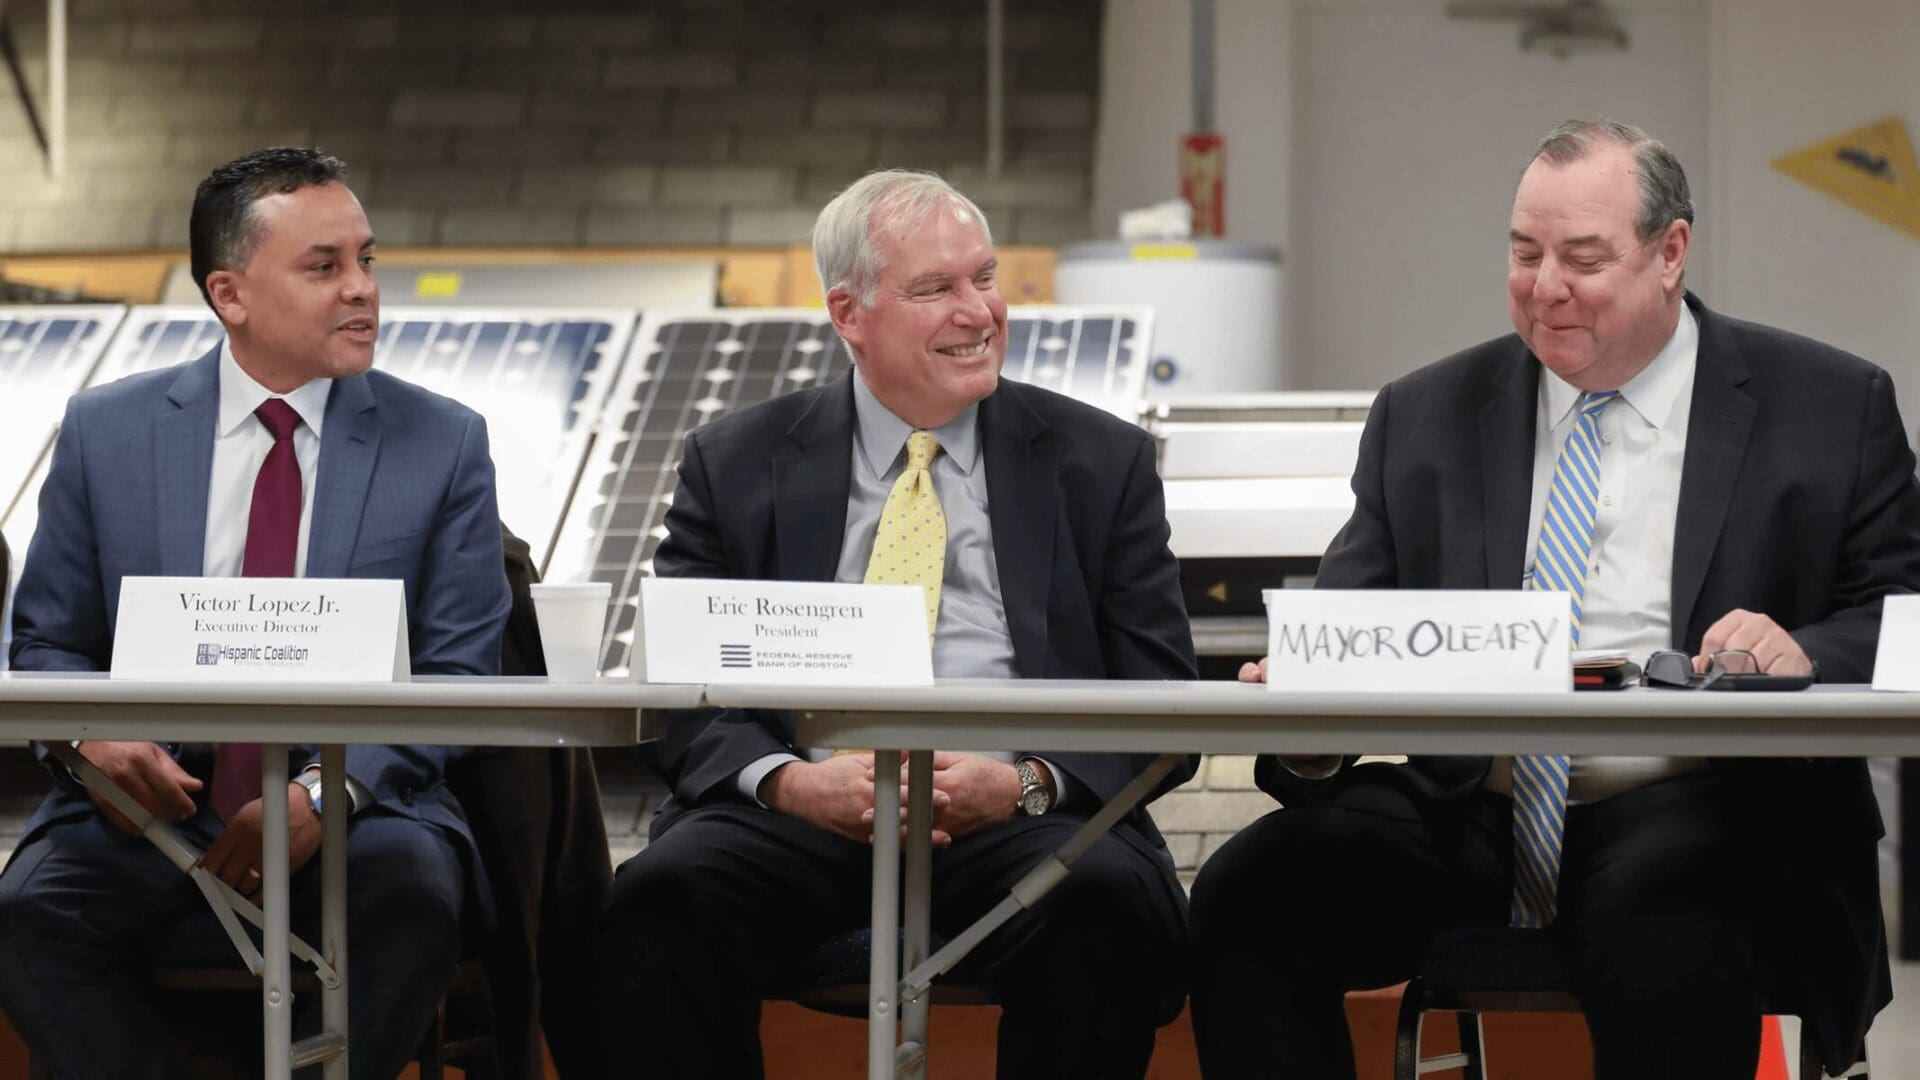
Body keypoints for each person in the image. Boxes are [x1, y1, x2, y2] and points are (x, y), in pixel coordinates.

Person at [1189, 119, 1920, 1079]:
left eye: (1582, 259)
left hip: (1700, 796)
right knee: (1253, 891)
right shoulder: (1425, 414)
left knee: (1669, 917)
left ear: (1671, 253)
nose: (1545, 289)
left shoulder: (1827, 405)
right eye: (1525, 254)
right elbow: (1348, 623)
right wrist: (1308, 704)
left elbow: (1901, 607)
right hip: (1471, 805)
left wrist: (1803, 652)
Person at [595, 168, 1198, 1079]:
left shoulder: (1099, 462)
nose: (979, 311)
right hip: (804, 806)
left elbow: (1163, 699)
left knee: (1105, 901)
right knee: (658, 901)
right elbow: (681, 690)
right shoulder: (737, 460)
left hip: (1023, 811)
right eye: (936, 289)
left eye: (985, 278)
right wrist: (792, 785)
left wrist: (1025, 781)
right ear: (849, 314)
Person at [0, 147, 512, 1080]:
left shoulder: (445, 443)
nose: (362, 289)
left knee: (414, 898)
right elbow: (45, 645)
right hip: (150, 811)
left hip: (362, 805)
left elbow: (461, 676)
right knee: (28, 916)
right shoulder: (104, 432)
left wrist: (324, 792)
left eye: (368, 259)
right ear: (229, 295)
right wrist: (91, 742)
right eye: (324, 267)